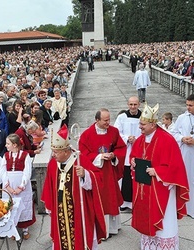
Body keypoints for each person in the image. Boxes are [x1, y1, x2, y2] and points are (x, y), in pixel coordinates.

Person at [129, 103, 189, 249]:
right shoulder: (140, 139)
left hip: (161, 188)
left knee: (165, 223)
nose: (140, 127)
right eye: (140, 124)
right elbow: (135, 155)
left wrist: (158, 172)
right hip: (144, 188)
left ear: (153, 124)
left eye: (143, 124)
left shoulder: (167, 140)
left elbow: (176, 167)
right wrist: (133, 162)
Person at [41, 125, 106, 249]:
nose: (53, 155)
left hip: (79, 212)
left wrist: (85, 175)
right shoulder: (53, 164)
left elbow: (98, 178)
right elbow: (49, 186)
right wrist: (50, 206)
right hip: (59, 212)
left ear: (66, 151)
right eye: (53, 151)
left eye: (56, 152)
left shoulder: (80, 161)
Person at [79, 108, 127, 239]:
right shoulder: (87, 135)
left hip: (109, 172)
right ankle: (100, 229)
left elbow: (121, 148)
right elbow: (83, 154)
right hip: (95, 172)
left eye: (109, 120)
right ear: (97, 120)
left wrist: (114, 155)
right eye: (105, 120)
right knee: (99, 198)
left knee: (110, 197)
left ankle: (112, 228)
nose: (108, 123)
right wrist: (99, 157)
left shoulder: (114, 131)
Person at [0, 134, 35, 239]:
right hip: (9, 184)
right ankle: (12, 228)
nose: (6, 145)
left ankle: (25, 229)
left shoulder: (25, 155)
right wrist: (7, 186)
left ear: (14, 145)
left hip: (20, 184)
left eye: (8, 143)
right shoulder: (5, 156)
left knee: (23, 205)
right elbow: (2, 171)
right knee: (10, 206)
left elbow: (27, 172)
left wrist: (21, 186)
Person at [113, 96, 142, 211]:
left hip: (139, 149)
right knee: (126, 175)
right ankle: (125, 203)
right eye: (131, 104)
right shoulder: (122, 117)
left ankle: (137, 201)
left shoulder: (144, 116)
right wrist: (127, 138)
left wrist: (137, 140)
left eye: (135, 104)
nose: (133, 107)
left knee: (138, 175)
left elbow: (149, 131)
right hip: (126, 149)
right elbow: (116, 132)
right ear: (127, 104)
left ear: (139, 104)